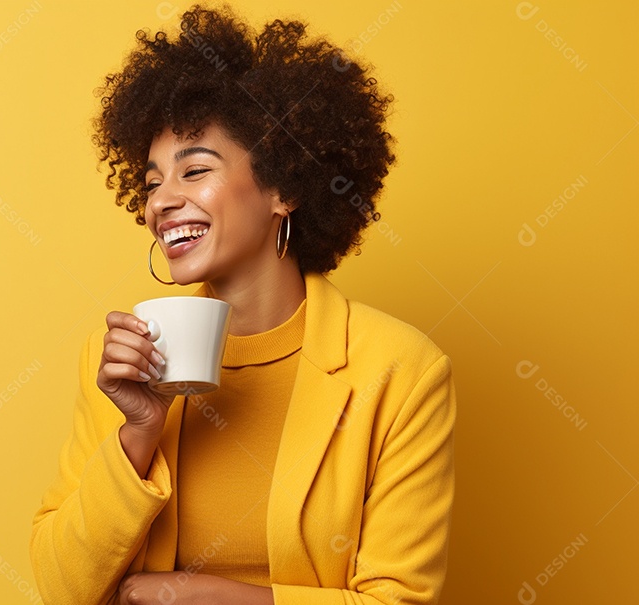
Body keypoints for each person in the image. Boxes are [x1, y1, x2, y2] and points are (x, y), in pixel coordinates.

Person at [30, 4, 457, 604]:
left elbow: (396, 601)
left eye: (194, 171)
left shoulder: (401, 370)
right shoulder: (120, 362)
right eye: (151, 184)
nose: (162, 203)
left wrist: (195, 593)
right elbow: (61, 589)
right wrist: (139, 431)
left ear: (283, 188)